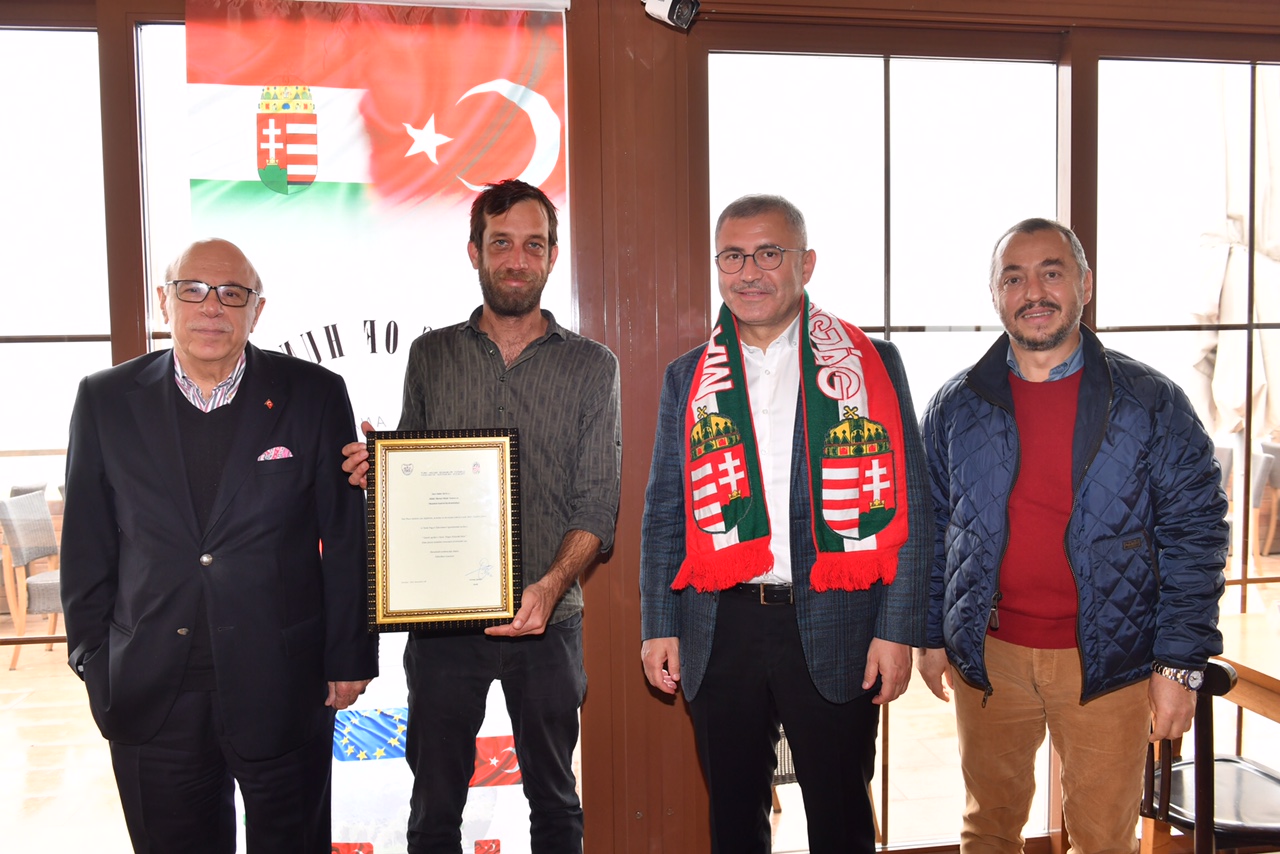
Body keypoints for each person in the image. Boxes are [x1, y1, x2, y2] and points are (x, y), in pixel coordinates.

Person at [917, 218, 1229, 854]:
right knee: (987, 829)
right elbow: (932, 528)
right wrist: (929, 634)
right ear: (995, 294)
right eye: (1014, 278)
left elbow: (1196, 535)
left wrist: (1180, 663)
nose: (1033, 291)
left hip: (1109, 660)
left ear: (1085, 285)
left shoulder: (1152, 402)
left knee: (1104, 840)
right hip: (991, 657)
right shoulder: (956, 405)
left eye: (1051, 273)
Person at [61, 238, 378, 852]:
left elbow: (344, 538)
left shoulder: (314, 393)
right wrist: (93, 661)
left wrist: (350, 656)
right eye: (193, 290)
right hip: (151, 691)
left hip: (284, 686)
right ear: (165, 302)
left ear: (257, 310)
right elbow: (86, 548)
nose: (212, 306)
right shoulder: (104, 400)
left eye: (233, 293)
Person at [639, 194, 929, 854]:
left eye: (769, 253)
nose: (750, 272)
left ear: (806, 263)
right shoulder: (689, 378)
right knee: (734, 823)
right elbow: (664, 513)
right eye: (733, 256)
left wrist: (896, 630)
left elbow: (912, 507)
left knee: (842, 822)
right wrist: (658, 624)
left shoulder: (869, 365)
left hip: (837, 623)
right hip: (719, 626)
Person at [341, 179, 621, 854]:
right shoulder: (431, 356)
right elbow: (415, 485)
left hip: (550, 620)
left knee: (556, 803)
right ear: (475, 252)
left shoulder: (592, 367)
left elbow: (597, 503)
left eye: (534, 245)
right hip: (443, 628)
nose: (517, 260)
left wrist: (550, 586)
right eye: (501, 244)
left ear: (552, 255)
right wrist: (380, 472)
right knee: (434, 805)